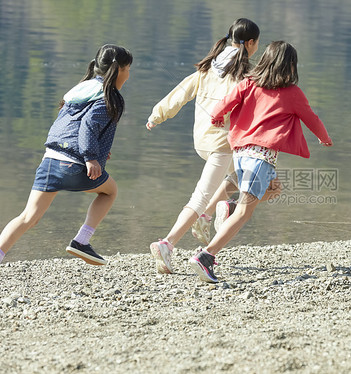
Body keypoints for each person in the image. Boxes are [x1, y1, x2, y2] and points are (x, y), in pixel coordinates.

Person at [189, 41, 333, 283]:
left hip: (241, 154)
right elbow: (311, 118)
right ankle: (206, 256)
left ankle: (229, 207)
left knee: (273, 188)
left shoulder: (248, 83)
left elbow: (225, 102)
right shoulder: (292, 93)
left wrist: (216, 117)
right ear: (290, 66)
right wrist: (324, 138)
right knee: (246, 211)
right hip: (261, 158)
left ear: (266, 60)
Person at [0, 44, 133, 266]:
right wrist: (90, 156)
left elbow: (69, 125)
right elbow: (88, 126)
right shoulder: (110, 97)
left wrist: (97, 152)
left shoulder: (80, 89)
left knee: (28, 217)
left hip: (50, 161)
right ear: (118, 70)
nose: (129, 75)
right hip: (74, 165)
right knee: (110, 191)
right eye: (128, 69)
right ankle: (81, 241)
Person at [146, 18, 260, 274]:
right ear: (251, 43)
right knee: (201, 196)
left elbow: (181, 92)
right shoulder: (245, 77)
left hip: (203, 140)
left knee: (241, 175)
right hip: (222, 144)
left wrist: (157, 115)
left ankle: (207, 216)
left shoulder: (209, 68)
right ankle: (168, 242)